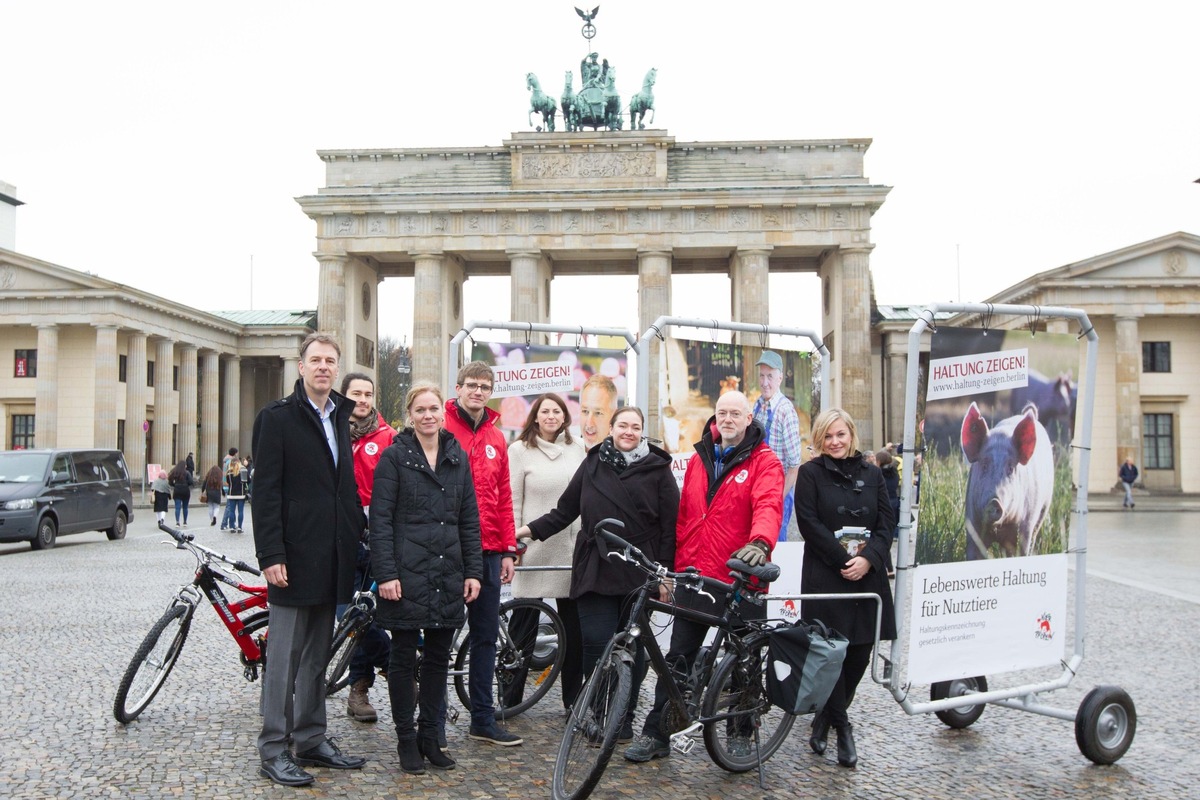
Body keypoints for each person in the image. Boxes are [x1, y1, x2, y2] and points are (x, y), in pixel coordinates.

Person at [625, 390, 782, 763]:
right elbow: (684, 517)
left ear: (748, 419)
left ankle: (740, 734)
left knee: (743, 662)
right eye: (722, 412)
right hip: (696, 574)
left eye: (735, 414)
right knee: (677, 656)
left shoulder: (765, 461)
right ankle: (657, 734)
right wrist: (675, 566)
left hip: (742, 576)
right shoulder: (701, 458)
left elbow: (769, 505)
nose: (727, 419)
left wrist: (760, 542)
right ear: (715, 417)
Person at [517, 405, 679, 743]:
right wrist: (527, 531)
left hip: (639, 569)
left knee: (632, 647)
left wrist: (665, 574)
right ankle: (599, 711)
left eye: (635, 427)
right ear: (612, 427)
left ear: (642, 431)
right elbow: (564, 511)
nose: (628, 432)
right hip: (596, 565)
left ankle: (623, 719)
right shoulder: (592, 463)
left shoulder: (659, 469)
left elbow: (669, 528)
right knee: (596, 642)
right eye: (623, 425)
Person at [251, 332, 366, 787]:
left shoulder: (340, 414)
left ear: (336, 368)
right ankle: (274, 748)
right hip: (293, 558)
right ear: (300, 366)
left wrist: (357, 534)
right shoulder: (276, 418)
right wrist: (271, 553)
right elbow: (265, 493)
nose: (323, 367)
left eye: (330, 361)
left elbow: (341, 485)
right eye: (315, 360)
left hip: (333, 554)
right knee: (283, 660)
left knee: (317, 655)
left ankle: (311, 738)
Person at [371, 381, 483, 774]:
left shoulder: (457, 457)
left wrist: (474, 571)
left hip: (447, 571)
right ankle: (405, 740)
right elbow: (380, 521)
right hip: (405, 574)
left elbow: (469, 518)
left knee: (438, 658)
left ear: (443, 411)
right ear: (410, 415)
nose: (428, 415)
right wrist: (385, 572)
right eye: (420, 409)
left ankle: (430, 736)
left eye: (434, 408)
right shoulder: (394, 458)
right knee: (403, 658)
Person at [794, 408, 896, 769]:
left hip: (867, 576)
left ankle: (824, 717)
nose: (835, 441)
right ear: (819, 440)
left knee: (859, 654)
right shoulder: (809, 474)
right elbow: (807, 521)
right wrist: (842, 559)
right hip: (827, 575)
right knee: (829, 657)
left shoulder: (872, 473)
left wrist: (870, 559)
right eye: (828, 436)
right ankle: (843, 726)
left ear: (851, 434)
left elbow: (887, 522)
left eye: (841, 434)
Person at [442, 361, 523, 746]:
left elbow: (504, 496)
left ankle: (482, 718)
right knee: (440, 633)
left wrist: (509, 549)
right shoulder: (440, 427)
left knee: (486, 637)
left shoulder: (495, 437)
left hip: (490, 549)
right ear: (458, 388)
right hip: (448, 548)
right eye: (471, 385)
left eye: (484, 386)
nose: (477, 391)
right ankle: (433, 719)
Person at [506, 393, 587, 712]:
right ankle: (509, 699)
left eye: (557, 411)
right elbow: (512, 500)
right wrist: (513, 545)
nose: (551, 416)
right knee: (522, 629)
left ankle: (574, 701)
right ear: (535, 417)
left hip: (570, 552)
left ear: (565, 416)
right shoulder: (519, 450)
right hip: (534, 548)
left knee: (573, 634)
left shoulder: (577, 447)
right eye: (545, 411)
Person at [340, 371, 397, 724]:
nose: (362, 399)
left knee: (369, 614)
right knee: (347, 612)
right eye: (355, 393)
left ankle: (358, 689)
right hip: (341, 532)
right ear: (344, 396)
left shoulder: (389, 437)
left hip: (378, 534)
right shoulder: (331, 432)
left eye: (367, 393)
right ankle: (394, 663)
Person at [752, 350, 803, 541]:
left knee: (774, 546)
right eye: (762, 376)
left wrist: (777, 499)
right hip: (757, 487)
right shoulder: (757, 405)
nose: (765, 382)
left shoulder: (785, 411)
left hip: (777, 490)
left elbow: (794, 465)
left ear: (780, 377)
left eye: (770, 376)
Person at [877, 449, 901, 578]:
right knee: (888, 537)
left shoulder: (879, 473)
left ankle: (889, 568)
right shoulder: (894, 472)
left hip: (884, 505)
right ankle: (889, 569)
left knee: (882, 538)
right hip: (894, 504)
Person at [578, 373, 618, 450]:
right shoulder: (566, 453)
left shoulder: (624, 459)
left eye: (598, 413)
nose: (589, 424)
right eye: (585, 411)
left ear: (614, 416)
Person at [224, 460, 247, 533]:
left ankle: (232, 527)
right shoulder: (243, 471)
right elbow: (247, 481)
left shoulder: (229, 472)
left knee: (232, 511)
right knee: (240, 511)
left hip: (231, 493)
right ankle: (239, 527)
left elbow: (228, 482)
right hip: (241, 493)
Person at [167, 460, 193, 527]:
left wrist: (175, 485)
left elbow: (170, 481)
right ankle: (185, 522)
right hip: (185, 491)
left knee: (177, 507)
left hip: (177, 491)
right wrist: (186, 484)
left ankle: (177, 522)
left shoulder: (174, 472)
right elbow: (191, 482)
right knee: (185, 507)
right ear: (184, 466)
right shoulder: (187, 473)